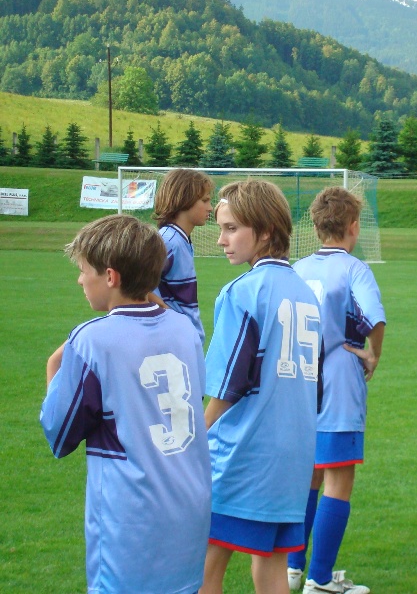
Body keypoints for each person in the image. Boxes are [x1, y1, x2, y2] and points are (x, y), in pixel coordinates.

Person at [40, 214, 211, 594]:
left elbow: (60, 433)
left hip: (132, 521)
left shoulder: (92, 339)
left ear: (111, 277)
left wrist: (54, 367)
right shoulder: (184, 329)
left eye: (85, 270)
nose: (80, 280)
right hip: (190, 508)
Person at [200, 180, 321, 594]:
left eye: (232, 229)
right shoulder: (306, 293)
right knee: (271, 572)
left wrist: (195, 435)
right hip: (293, 456)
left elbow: (228, 383)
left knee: (200, 570)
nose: (221, 240)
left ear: (266, 231)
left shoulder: (242, 291)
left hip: (245, 453)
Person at [290, 187, 386, 594]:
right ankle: (321, 579)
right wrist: (373, 354)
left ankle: (293, 569)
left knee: (307, 476)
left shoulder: (296, 267)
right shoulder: (355, 269)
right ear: (353, 227)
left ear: (314, 227)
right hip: (339, 382)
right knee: (338, 480)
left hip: (297, 382)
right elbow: (375, 318)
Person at [150, 168, 215, 344]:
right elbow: (134, 284)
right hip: (173, 340)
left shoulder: (180, 239)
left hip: (185, 338)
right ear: (184, 200)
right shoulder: (168, 241)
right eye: (205, 200)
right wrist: (172, 317)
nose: (210, 207)